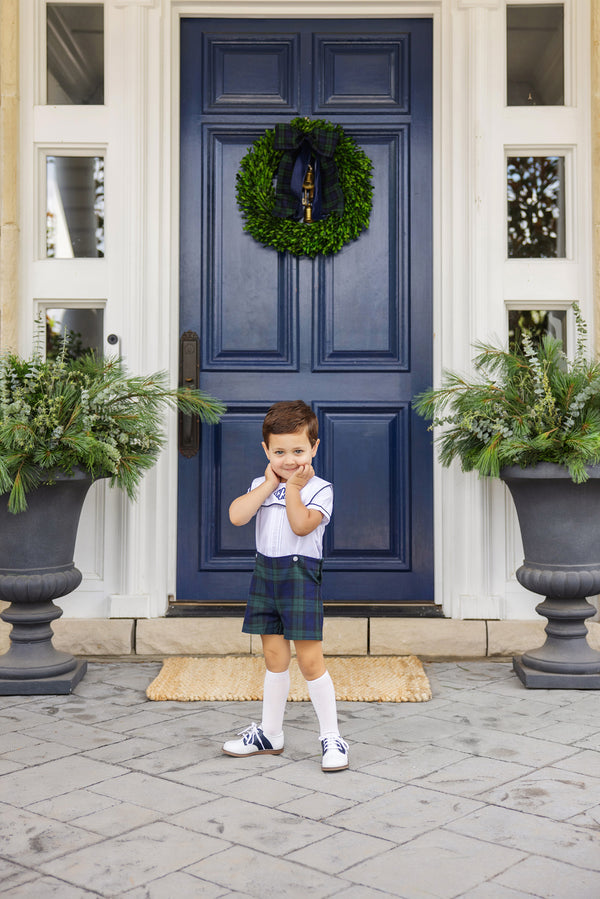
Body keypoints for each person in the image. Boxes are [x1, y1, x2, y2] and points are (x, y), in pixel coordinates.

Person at [222, 400, 348, 772]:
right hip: (266, 576)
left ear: (314, 448)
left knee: (310, 662)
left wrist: (293, 487)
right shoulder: (261, 486)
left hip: (300, 578)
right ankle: (270, 733)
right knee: (275, 659)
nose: (290, 459)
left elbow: (300, 526)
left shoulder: (320, 490)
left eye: (298, 450)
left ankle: (331, 735)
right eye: (280, 452)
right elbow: (237, 516)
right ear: (266, 451)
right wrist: (269, 484)